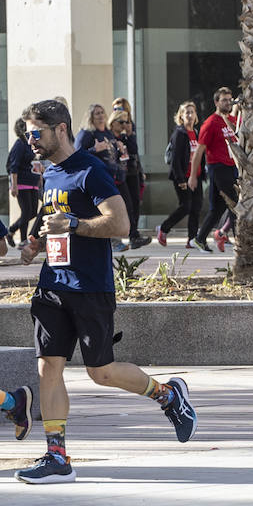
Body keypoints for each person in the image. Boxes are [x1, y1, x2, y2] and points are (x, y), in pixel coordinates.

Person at [1, 100, 196, 484]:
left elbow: (120, 223)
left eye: (35, 133)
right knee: (48, 366)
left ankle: (168, 395)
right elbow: (51, 220)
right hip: (53, 284)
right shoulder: (50, 174)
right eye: (26, 134)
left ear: (60, 129)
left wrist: (73, 223)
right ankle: (57, 455)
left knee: (101, 372)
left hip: (90, 286)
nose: (30, 141)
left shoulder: (91, 170)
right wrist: (37, 245)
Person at [74, 103, 132, 252]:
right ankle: (113, 241)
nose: (100, 116)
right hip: (94, 179)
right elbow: (76, 156)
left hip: (112, 176)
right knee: (105, 211)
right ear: (91, 117)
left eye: (102, 113)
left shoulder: (107, 133)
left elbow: (111, 155)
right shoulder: (86, 134)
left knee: (123, 206)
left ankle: (116, 239)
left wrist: (119, 149)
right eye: (97, 113)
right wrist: (94, 150)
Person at [189, 86, 238, 252]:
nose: (228, 103)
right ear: (216, 102)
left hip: (231, 167)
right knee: (235, 203)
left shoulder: (230, 120)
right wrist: (193, 176)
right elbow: (199, 151)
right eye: (224, 100)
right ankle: (241, 241)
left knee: (217, 208)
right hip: (218, 167)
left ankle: (200, 239)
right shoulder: (210, 123)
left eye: (230, 100)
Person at [156, 101, 204, 248]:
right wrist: (180, 179)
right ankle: (164, 228)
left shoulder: (196, 132)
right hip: (183, 177)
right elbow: (175, 159)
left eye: (192, 112)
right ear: (181, 116)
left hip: (196, 177)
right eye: (186, 112)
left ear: (196, 115)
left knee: (196, 207)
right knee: (186, 206)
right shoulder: (179, 133)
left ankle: (192, 239)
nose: (190, 115)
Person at [109, 109, 149, 249]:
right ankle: (119, 237)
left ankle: (134, 235)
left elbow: (134, 150)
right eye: (122, 122)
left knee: (134, 204)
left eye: (127, 122)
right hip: (116, 176)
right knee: (124, 206)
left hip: (130, 172)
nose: (124, 125)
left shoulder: (125, 137)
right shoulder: (109, 138)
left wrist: (130, 133)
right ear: (113, 123)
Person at [8, 118, 43, 245]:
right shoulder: (19, 144)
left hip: (33, 182)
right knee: (26, 212)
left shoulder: (31, 145)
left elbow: (36, 162)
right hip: (22, 183)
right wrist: (14, 185)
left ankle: (11, 230)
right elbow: (14, 166)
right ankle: (22, 240)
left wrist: (39, 178)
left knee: (33, 212)